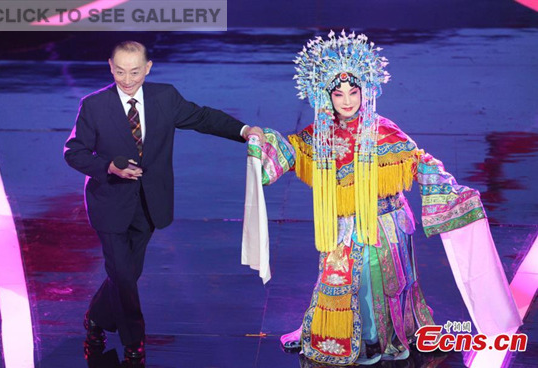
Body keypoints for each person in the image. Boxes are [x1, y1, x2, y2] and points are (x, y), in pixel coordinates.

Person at [249, 30, 521, 365]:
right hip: (344, 227)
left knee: (378, 281)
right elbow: (288, 151)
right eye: (339, 94)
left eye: (354, 91)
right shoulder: (318, 137)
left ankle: (380, 338)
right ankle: (347, 337)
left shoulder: (384, 131)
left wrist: (451, 191)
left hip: (385, 226)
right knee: (342, 280)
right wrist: (261, 145)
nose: (347, 100)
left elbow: (419, 161)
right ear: (326, 96)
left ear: (366, 91)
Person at [64, 40, 264, 364]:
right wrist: (108, 167)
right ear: (110, 67)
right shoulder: (94, 105)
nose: (127, 80)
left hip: (149, 204)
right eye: (119, 72)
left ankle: (96, 319)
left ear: (148, 68)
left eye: (134, 72)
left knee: (126, 275)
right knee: (125, 278)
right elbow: (74, 152)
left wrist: (243, 130)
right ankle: (134, 343)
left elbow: (202, 118)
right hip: (109, 205)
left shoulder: (164, 97)